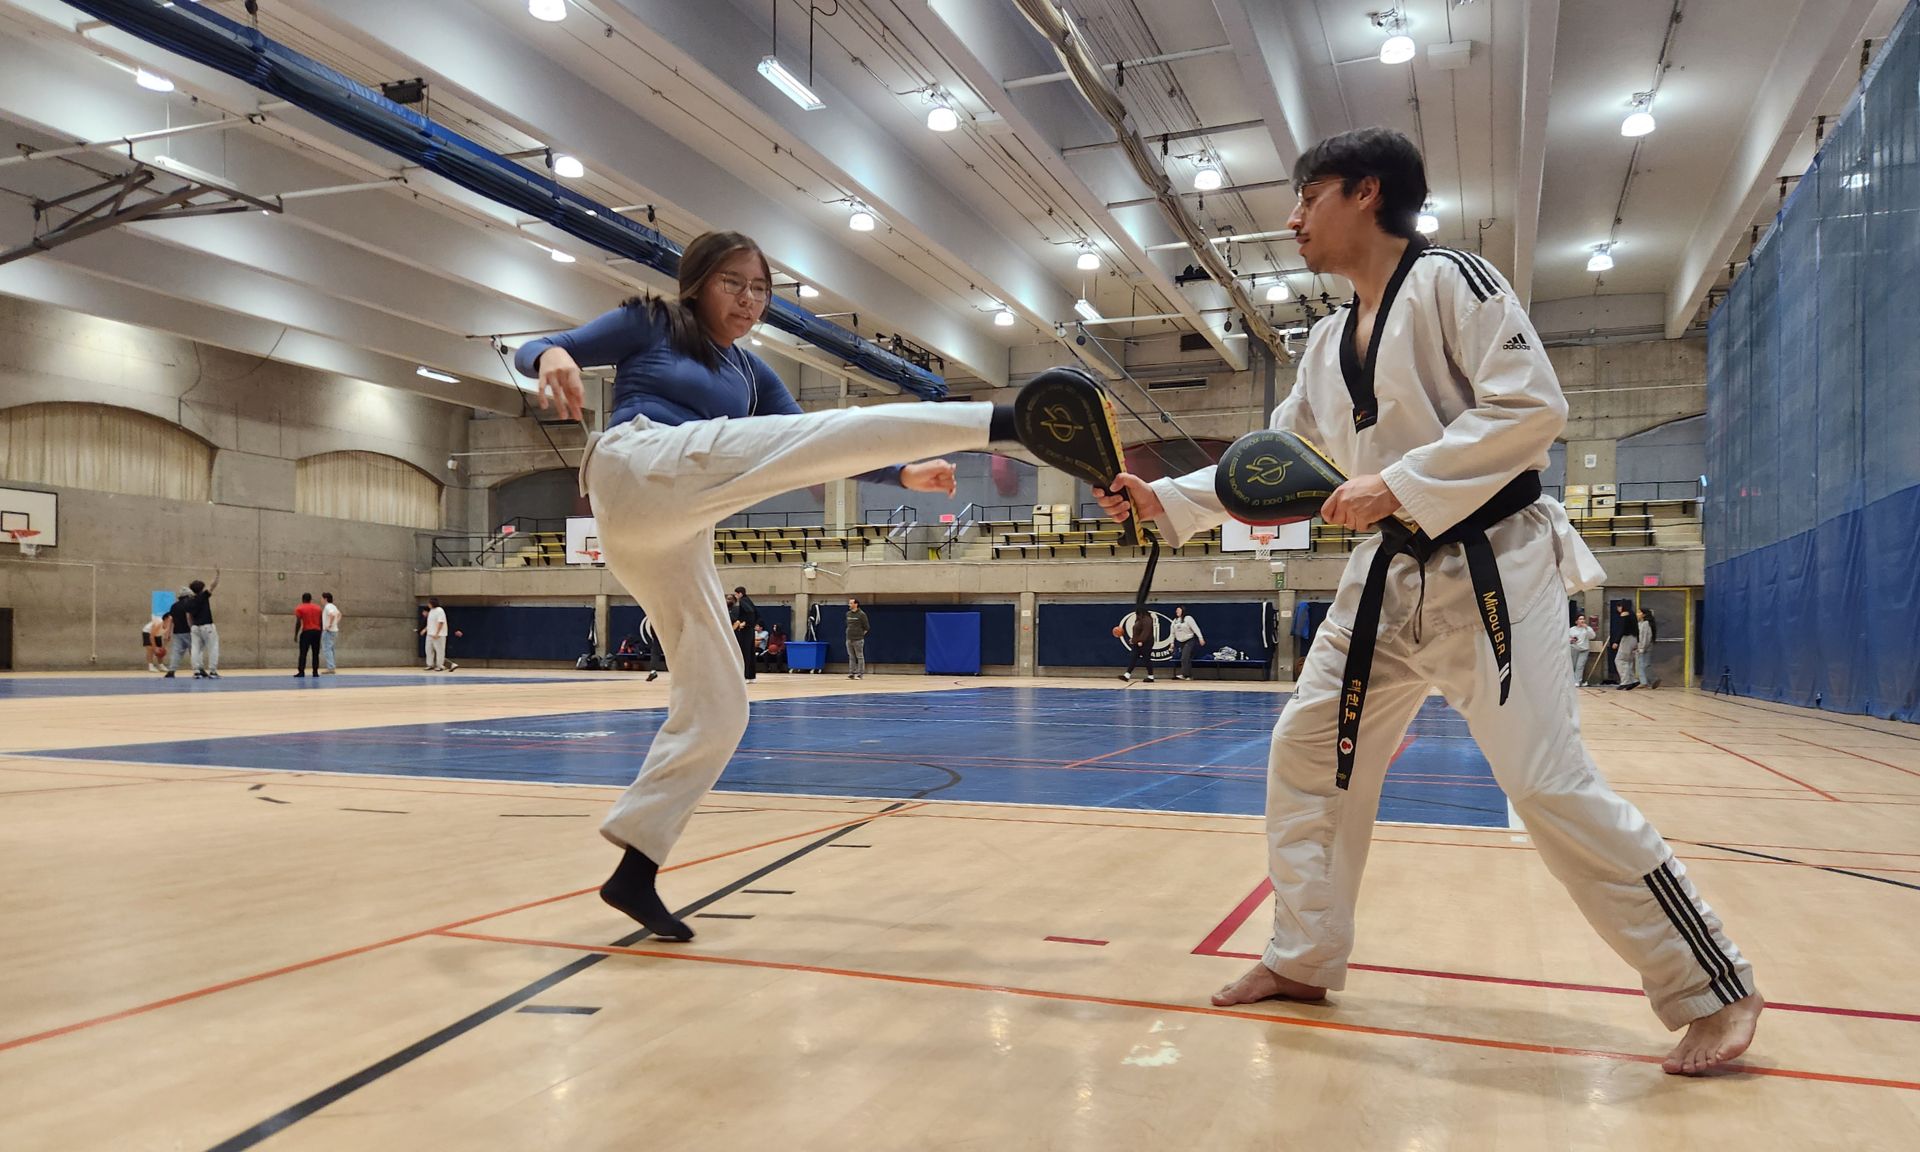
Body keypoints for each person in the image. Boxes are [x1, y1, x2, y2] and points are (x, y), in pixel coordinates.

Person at [1089, 129, 1759, 1075]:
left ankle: (1714, 987)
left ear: (1366, 192)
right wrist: (1165, 499)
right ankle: (1302, 956)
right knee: (1307, 754)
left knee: (1546, 782)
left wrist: (1399, 480)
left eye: (1308, 196)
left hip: (1493, 562)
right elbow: (1273, 464)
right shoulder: (1326, 343)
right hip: (1384, 575)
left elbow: (1533, 408)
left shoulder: (1456, 282)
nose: (1293, 218)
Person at [515, 228, 1017, 942]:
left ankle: (635, 869)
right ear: (697, 283)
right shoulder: (651, 322)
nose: (749, 300)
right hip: (637, 466)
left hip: (673, 525)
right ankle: (1007, 421)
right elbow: (532, 347)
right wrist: (552, 355)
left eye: (760, 289)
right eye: (734, 283)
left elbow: (808, 439)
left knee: (721, 704)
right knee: (800, 441)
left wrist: (901, 474)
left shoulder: (752, 375)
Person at [186, 572, 221, 679]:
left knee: (195, 649)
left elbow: (189, 616)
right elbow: (213, 585)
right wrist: (217, 575)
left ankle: (196, 671)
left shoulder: (189, 600)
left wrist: (191, 627)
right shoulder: (203, 596)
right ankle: (213, 671)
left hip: (195, 627)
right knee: (213, 647)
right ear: (201, 588)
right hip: (207, 626)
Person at [730, 586, 759, 682]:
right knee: (751, 652)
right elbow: (756, 614)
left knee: (745, 653)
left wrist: (744, 623)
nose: (735, 595)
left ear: (740, 594)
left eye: (736, 594)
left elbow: (749, 613)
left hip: (745, 631)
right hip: (751, 631)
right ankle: (751, 676)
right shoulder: (749, 601)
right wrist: (752, 624)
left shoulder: (743, 601)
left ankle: (745, 676)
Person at [163, 588, 193, 679]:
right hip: (189, 632)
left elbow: (171, 620)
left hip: (177, 632)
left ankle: (171, 671)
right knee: (194, 652)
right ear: (188, 596)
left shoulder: (174, 606)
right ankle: (198, 670)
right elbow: (189, 617)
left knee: (176, 653)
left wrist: (168, 633)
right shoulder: (190, 604)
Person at [1120, 609, 1156, 683]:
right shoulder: (1139, 620)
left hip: (1146, 643)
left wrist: (1141, 640)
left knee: (1146, 659)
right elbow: (1137, 632)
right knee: (1133, 657)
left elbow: (1146, 631)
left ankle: (1151, 676)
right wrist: (1133, 639)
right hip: (1137, 643)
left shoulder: (1147, 619)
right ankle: (1127, 675)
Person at [421, 597, 456, 671]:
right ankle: (430, 664)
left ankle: (440, 665)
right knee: (428, 650)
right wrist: (425, 630)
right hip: (430, 634)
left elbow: (441, 622)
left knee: (439, 651)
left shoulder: (440, 610)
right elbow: (430, 623)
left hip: (439, 635)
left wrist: (437, 633)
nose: (428, 605)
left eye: (429, 603)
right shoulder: (431, 611)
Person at [293, 592, 323, 678]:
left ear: (302, 599)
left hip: (307, 632)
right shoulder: (318, 608)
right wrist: (320, 631)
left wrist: (296, 634)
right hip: (317, 632)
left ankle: (301, 671)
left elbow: (298, 622)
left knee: (303, 653)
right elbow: (321, 621)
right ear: (310, 599)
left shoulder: (299, 608)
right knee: (315, 653)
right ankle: (315, 672)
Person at [1171, 606, 1206, 679]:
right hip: (1181, 642)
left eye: (1179, 610)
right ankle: (1186, 674)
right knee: (1185, 658)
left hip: (1189, 640)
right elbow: (1172, 633)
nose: (1177, 611)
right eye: (1176, 610)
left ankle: (1187, 675)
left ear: (1183, 611)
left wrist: (1200, 638)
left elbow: (1196, 628)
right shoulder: (1175, 621)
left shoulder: (1188, 618)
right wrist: (1172, 643)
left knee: (1185, 657)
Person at [1616, 607, 1641, 691]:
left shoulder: (1625, 615)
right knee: (1628, 662)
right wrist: (1638, 642)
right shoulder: (1633, 617)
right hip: (1634, 639)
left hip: (1627, 639)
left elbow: (1621, 629)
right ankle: (1633, 680)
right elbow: (1637, 631)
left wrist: (1616, 641)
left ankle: (1625, 681)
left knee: (1620, 660)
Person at [845, 597, 871, 679]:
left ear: (856, 604)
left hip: (858, 639)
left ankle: (860, 673)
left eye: (851, 603)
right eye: (849, 603)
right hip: (849, 638)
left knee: (859, 656)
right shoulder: (848, 614)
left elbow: (866, 627)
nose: (849, 604)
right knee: (851, 656)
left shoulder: (861, 614)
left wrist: (860, 635)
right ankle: (851, 673)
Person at [1567, 613, 1596, 685]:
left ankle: (1577, 681)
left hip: (1584, 649)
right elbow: (1567, 638)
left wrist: (1587, 628)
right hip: (1574, 648)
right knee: (1573, 665)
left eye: (1583, 619)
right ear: (1576, 621)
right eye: (1580, 619)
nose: (1582, 620)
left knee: (1580, 666)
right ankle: (1571, 681)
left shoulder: (1587, 629)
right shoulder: (1572, 629)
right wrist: (1571, 640)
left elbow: (1592, 636)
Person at [1635, 607, 1658, 689]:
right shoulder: (1640, 623)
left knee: (1644, 664)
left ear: (1644, 614)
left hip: (1645, 647)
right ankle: (1644, 682)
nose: (1637, 614)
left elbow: (1645, 637)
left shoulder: (1646, 624)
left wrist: (1642, 647)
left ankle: (1652, 679)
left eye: (1639, 612)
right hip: (1641, 646)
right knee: (1641, 664)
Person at [320, 592, 341, 674]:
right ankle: (332, 666)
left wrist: (329, 625)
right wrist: (335, 623)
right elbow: (339, 614)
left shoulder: (328, 606)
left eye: (322, 598)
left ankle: (331, 667)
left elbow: (332, 615)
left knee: (327, 649)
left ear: (325, 599)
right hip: (334, 631)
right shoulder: (333, 606)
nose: (321, 600)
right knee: (331, 649)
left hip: (328, 631)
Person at [143, 606, 168, 673]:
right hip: (148, 632)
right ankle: (150, 666)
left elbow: (166, 637)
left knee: (160, 649)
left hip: (158, 634)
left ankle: (161, 665)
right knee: (150, 648)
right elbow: (151, 636)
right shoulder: (159, 623)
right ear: (166, 618)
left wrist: (163, 648)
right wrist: (154, 648)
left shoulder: (170, 624)